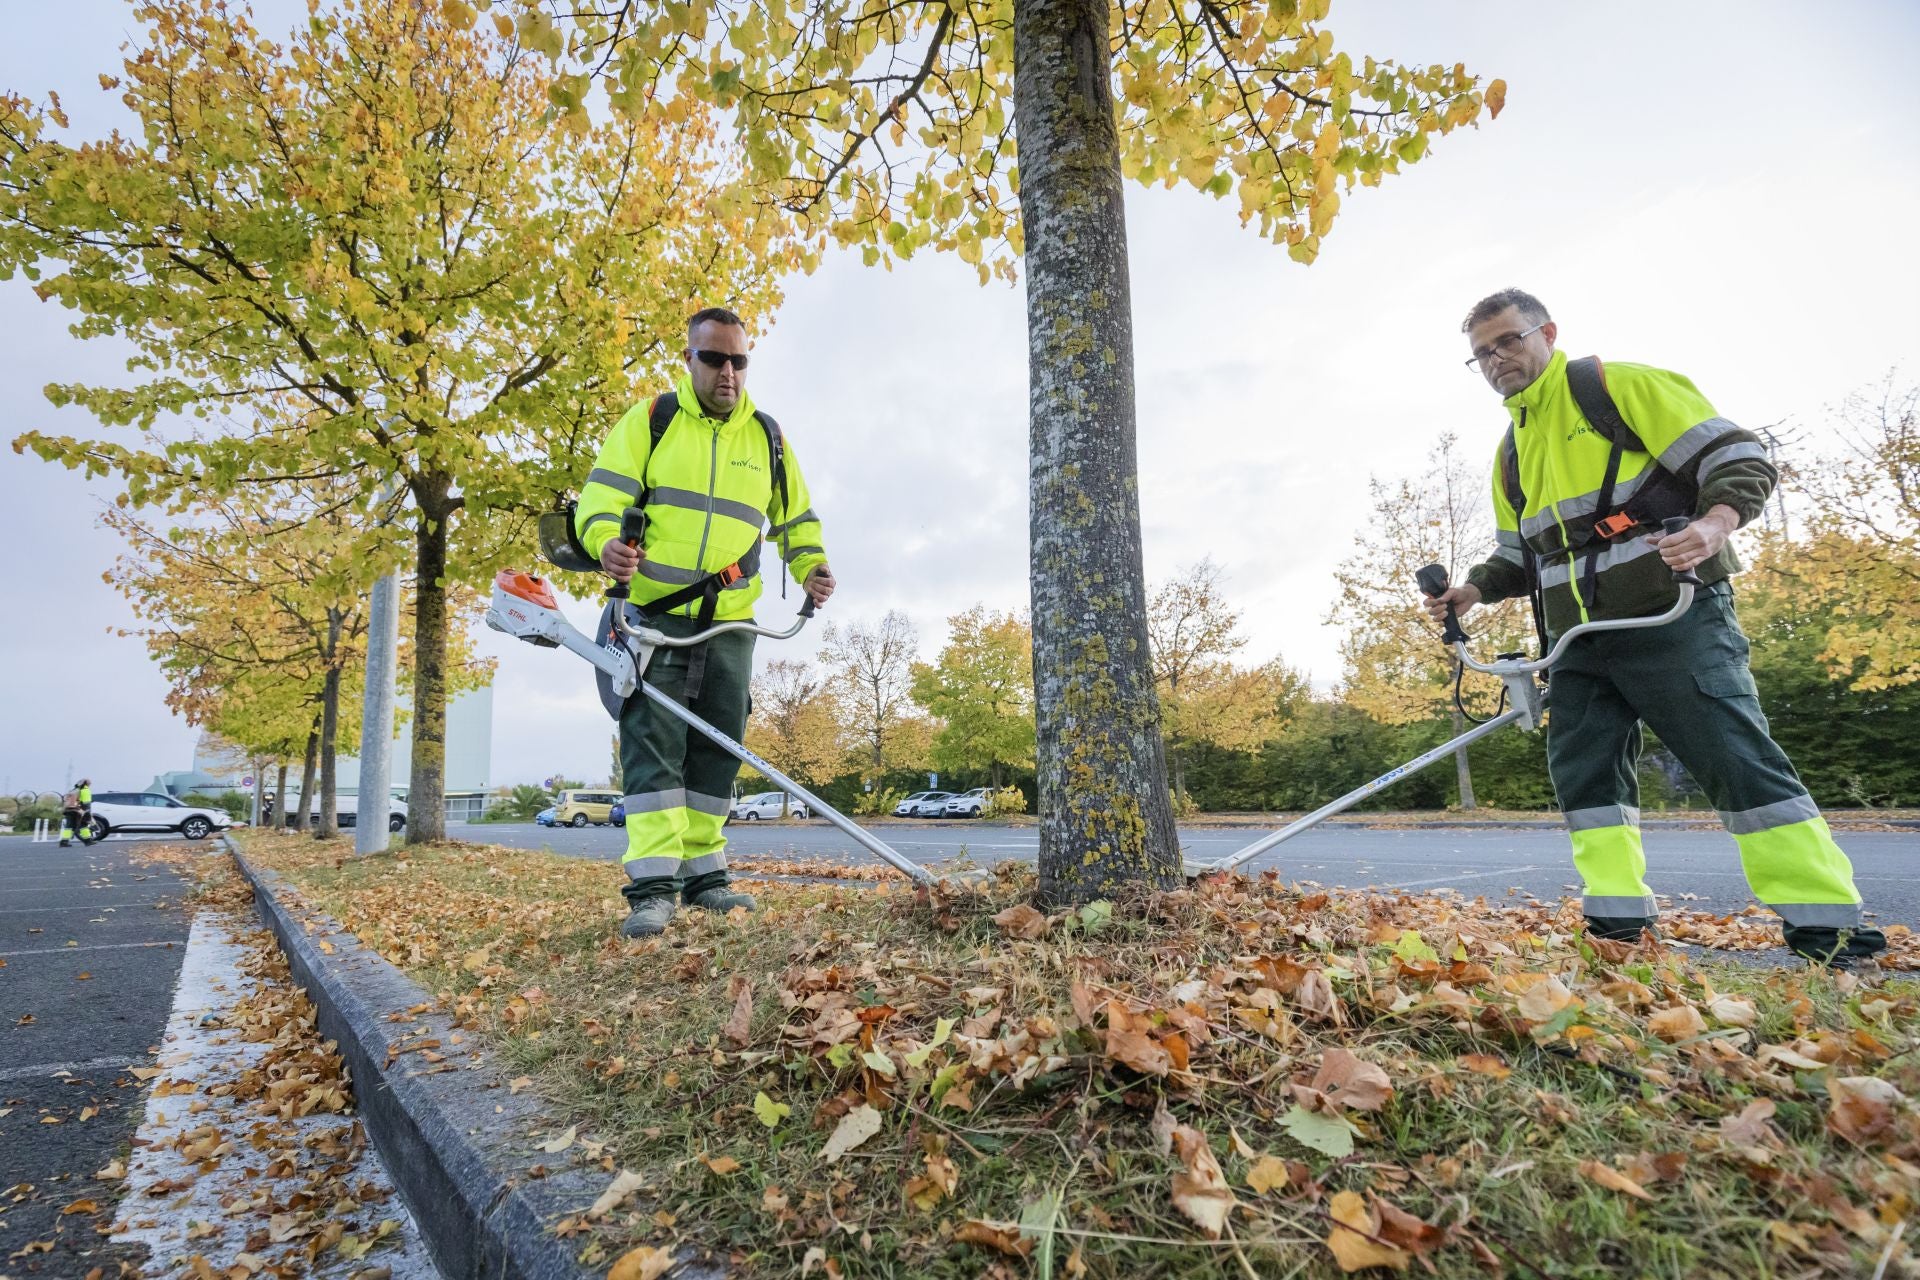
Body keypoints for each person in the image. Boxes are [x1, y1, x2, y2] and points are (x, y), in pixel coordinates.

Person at [1424, 288, 1885, 968]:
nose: (1496, 360)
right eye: (1481, 355)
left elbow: (1740, 460)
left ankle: (1833, 935)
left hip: (1672, 617)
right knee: (1587, 787)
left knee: (1738, 764)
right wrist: (1474, 589)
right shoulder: (1510, 453)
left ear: (1547, 332)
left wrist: (1712, 525)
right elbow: (1523, 553)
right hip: (1576, 644)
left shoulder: (1615, 387)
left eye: (1508, 341)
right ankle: (1618, 934)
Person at [576, 307, 834, 938]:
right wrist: (605, 542)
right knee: (653, 752)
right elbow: (600, 500)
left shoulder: (766, 438)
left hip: (729, 629)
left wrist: (812, 567)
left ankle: (706, 878)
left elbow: (796, 520)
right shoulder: (652, 421)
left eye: (738, 361)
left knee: (718, 751)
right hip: (653, 624)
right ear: (688, 360)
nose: (728, 373)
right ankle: (653, 889)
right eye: (714, 359)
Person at [58, 778, 94, 847]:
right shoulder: (85, 790)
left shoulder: (73, 790)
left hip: (68, 810)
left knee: (69, 826)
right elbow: (86, 803)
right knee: (83, 824)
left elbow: (65, 800)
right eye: (89, 784)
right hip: (77, 810)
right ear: (86, 784)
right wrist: (87, 812)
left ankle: (64, 841)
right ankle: (88, 841)